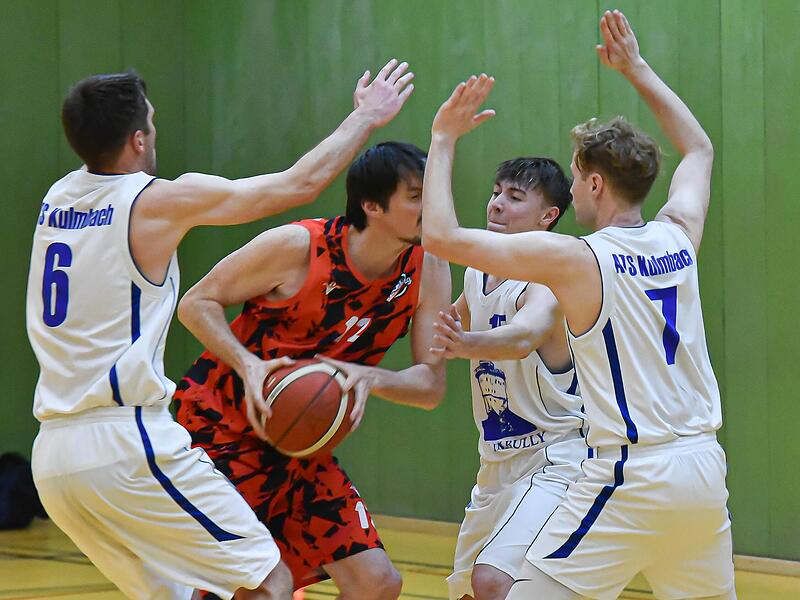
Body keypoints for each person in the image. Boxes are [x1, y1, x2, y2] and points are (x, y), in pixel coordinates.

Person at [26, 59, 414, 600]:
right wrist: (365, 118)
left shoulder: (58, 200)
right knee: (267, 583)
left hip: (54, 458)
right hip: (125, 438)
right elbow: (297, 185)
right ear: (138, 140)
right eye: (153, 125)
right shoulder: (152, 200)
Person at [422, 11, 734, 600]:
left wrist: (442, 139)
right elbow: (698, 147)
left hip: (630, 472)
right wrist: (636, 69)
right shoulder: (679, 236)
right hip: (703, 469)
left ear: (593, 185)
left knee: (509, 591)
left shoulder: (577, 258)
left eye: (575, 175)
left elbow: (439, 237)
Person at [173, 141, 451, 599]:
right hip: (222, 428)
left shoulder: (428, 267)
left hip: (300, 446)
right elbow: (196, 303)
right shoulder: (300, 246)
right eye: (417, 195)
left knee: (377, 584)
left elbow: (430, 386)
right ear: (373, 205)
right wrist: (248, 364)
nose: (433, 206)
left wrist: (370, 377)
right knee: (262, 590)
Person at [431, 157, 585, 600]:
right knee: (466, 590)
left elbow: (525, 336)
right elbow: (438, 330)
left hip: (557, 458)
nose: (497, 205)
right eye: (496, 192)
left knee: (495, 581)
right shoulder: (478, 271)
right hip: (496, 463)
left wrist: (467, 344)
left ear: (548, 216)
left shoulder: (548, 277)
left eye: (515, 197)